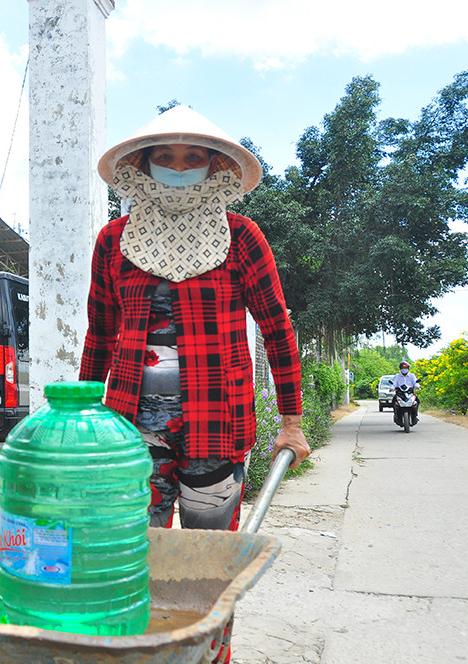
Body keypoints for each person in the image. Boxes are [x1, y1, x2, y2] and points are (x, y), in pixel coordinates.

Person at [80, 106, 311, 662]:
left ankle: (211, 657)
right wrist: (80, 419)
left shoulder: (240, 236)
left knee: (209, 566)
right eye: (165, 157)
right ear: (144, 166)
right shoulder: (113, 241)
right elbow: (99, 333)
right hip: (130, 434)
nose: (178, 167)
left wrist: (293, 420)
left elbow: (277, 326)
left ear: (213, 168)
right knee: (133, 556)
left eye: (193, 158)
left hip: (217, 429)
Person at [392, 361, 420, 426]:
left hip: (409, 393)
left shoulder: (412, 375)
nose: (404, 369)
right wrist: (392, 388)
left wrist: (417, 387)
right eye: (402, 368)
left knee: (417, 401)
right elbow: (394, 384)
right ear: (400, 369)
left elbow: (415, 383)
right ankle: (396, 416)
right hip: (400, 393)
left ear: (408, 368)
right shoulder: (397, 376)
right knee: (393, 401)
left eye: (406, 368)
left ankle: (415, 416)